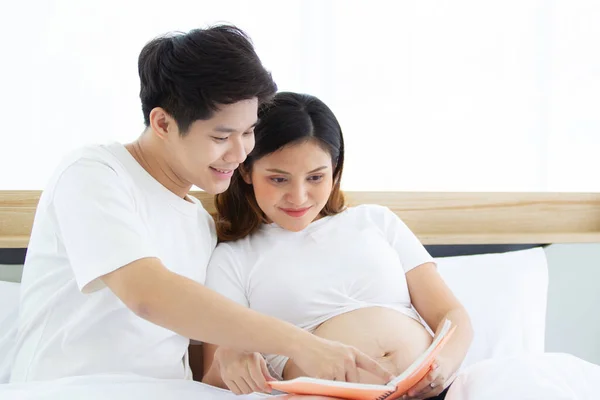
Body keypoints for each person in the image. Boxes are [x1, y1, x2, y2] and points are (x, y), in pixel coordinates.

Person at [9, 26, 392, 385]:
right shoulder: (93, 173)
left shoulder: (200, 223)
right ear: (162, 123)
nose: (241, 152)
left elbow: (195, 357)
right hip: (71, 388)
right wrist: (301, 344)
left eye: (248, 132)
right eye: (222, 135)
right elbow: (147, 295)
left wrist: (229, 357)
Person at [202, 92, 474, 399]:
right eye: (279, 179)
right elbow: (213, 376)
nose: (299, 196)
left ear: (335, 170)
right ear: (246, 171)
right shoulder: (232, 258)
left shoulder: (376, 221)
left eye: (316, 177)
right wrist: (230, 360)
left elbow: (452, 314)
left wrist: (443, 367)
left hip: (432, 391)